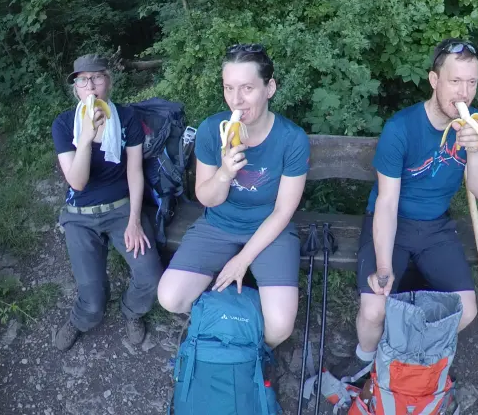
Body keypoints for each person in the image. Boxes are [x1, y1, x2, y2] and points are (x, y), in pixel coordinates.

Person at [156, 44, 310, 348]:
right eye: (229, 88)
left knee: (278, 329)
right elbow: (206, 198)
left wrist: (242, 260)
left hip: (270, 228)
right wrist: (225, 173)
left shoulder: (292, 139)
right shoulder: (213, 130)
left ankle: (239, 331)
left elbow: (282, 212)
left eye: (247, 88)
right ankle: (230, 322)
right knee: (170, 297)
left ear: (270, 88)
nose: (236, 100)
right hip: (219, 223)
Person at [353, 38, 478, 365]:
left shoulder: (476, 125)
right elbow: (387, 204)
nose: (464, 93)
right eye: (455, 81)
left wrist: (474, 150)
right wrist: (385, 267)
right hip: (394, 222)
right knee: (374, 309)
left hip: (436, 228)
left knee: (467, 312)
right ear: (435, 81)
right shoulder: (401, 128)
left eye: (471, 82)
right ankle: (363, 361)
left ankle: (405, 359)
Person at [50, 54, 163, 351]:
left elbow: (135, 172)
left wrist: (135, 220)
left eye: (97, 77)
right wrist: (85, 138)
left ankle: (132, 311)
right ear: (76, 88)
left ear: (108, 82)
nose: (91, 86)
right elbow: (77, 182)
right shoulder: (63, 125)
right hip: (79, 213)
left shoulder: (126, 119)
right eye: (83, 80)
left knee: (151, 276)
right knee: (94, 298)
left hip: (121, 207)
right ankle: (80, 319)